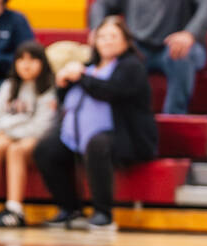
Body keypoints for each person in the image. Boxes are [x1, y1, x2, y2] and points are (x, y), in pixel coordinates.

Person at [34, 16, 157, 232]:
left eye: (113, 36)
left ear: (126, 41)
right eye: (102, 36)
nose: (107, 41)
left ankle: (103, 213)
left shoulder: (131, 66)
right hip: (77, 132)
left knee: (97, 145)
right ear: (94, 40)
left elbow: (110, 91)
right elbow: (67, 99)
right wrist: (62, 83)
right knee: (46, 150)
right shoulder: (88, 66)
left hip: (123, 135)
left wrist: (80, 77)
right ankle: (69, 208)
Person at [0, 41, 57, 228]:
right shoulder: (8, 86)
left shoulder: (48, 88)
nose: (26, 64)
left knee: (15, 150)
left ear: (43, 63)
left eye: (32, 59)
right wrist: (3, 133)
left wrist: (10, 134)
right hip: (9, 134)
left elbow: (42, 125)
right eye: (21, 59)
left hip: (35, 138)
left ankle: (15, 209)